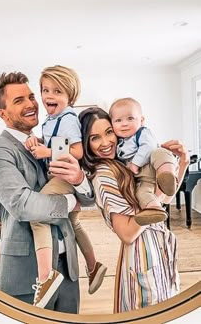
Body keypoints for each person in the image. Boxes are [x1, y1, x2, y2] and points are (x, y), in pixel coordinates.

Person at [0, 71, 95, 314]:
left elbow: (88, 199)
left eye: (31, 96)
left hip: (67, 271)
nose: (32, 103)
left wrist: (79, 179)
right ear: (2, 113)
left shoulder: (49, 144)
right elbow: (22, 205)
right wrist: (68, 203)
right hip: (25, 276)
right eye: (18, 100)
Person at [78, 107, 190, 312]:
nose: (105, 142)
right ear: (86, 144)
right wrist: (153, 200)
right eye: (95, 138)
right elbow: (128, 233)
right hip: (142, 253)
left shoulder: (123, 164)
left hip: (155, 249)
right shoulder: (103, 175)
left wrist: (181, 164)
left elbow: (161, 201)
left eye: (109, 132)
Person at [25, 65, 107, 307]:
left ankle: (46, 278)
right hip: (59, 176)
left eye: (57, 91)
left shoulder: (68, 118)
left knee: (37, 216)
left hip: (63, 177)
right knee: (74, 222)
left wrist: (46, 151)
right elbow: (56, 141)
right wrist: (39, 141)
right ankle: (93, 266)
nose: (49, 95)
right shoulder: (51, 120)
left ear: (70, 96)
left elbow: (77, 150)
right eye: (45, 90)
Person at [109, 97, 178, 226]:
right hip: (143, 179)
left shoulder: (142, 133)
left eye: (130, 118)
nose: (124, 123)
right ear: (112, 124)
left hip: (154, 166)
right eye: (118, 120)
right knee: (141, 192)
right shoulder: (118, 142)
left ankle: (167, 176)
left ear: (141, 120)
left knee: (160, 153)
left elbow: (149, 147)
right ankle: (154, 209)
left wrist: (135, 164)